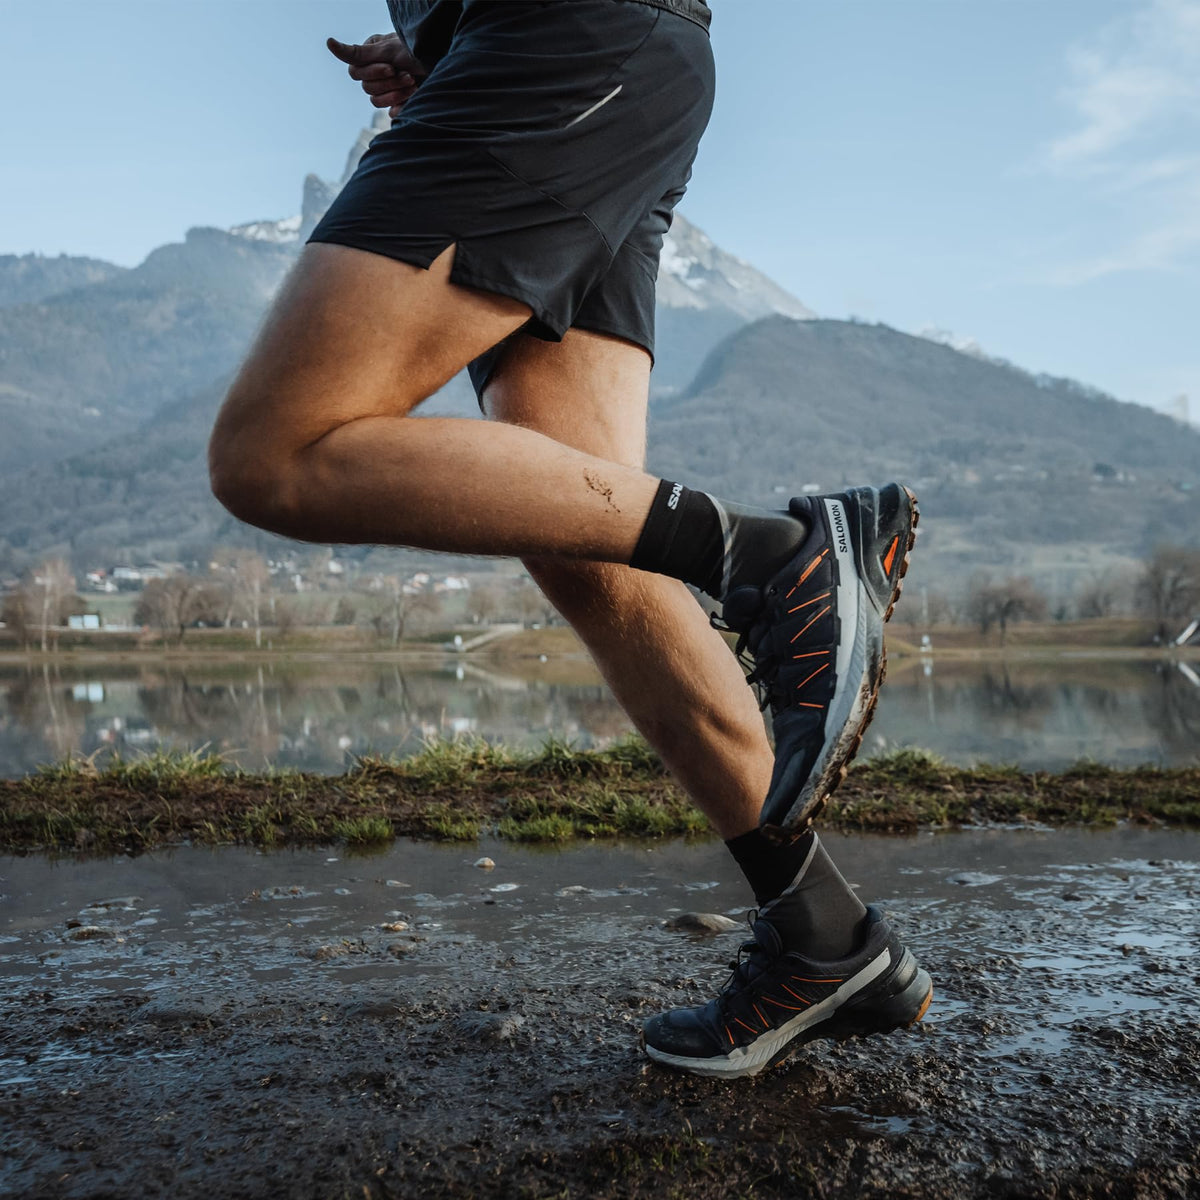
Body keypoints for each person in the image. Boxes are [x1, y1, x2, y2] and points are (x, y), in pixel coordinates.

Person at [207, 0, 932, 1079]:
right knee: (589, 538)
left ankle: (777, 559)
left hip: (560, 48)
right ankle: (824, 934)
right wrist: (437, 36)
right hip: (596, 59)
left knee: (273, 452)